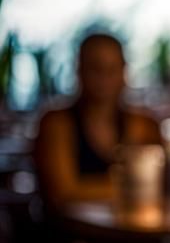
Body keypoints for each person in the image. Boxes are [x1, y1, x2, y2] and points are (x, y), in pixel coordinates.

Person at [34, 33, 158, 208]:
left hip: (129, 231)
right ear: (79, 71)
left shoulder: (143, 125)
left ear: (124, 72)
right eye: (95, 68)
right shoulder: (57, 124)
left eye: (112, 69)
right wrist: (135, 186)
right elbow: (64, 192)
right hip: (71, 232)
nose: (104, 78)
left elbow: (165, 184)